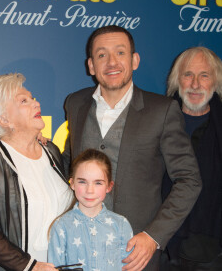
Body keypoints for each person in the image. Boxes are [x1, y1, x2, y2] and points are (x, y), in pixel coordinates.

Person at [62, 25, 202, 270]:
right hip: (79, 250)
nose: (112, 62)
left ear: (134, 60)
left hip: (135, 253)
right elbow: (68, 162)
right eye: (102, 55)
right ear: (91, 65)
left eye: (120, 53)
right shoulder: (75, 103)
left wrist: (153, 236)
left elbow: (189, 180)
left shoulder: (163, 110)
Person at [0, 73, 73, 271]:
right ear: (4, 119)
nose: (36, 104)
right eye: (23, 101)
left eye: (32, 98)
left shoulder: (51, 151)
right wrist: (29, 266)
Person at [162, 46, 222, 270]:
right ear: (177, 80)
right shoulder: (155, 121)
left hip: (214, 254)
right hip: (163, 250)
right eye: (188, 74)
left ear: (215, 81)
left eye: (204, 75)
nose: (195, 84)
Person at [48, 148, 133, 271]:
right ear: (72, 183)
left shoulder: (121, 224)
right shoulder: (61, 226)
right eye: (82, 182)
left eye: (98, 183)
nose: (90, 190)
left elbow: (129, 266)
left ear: (109, 186)